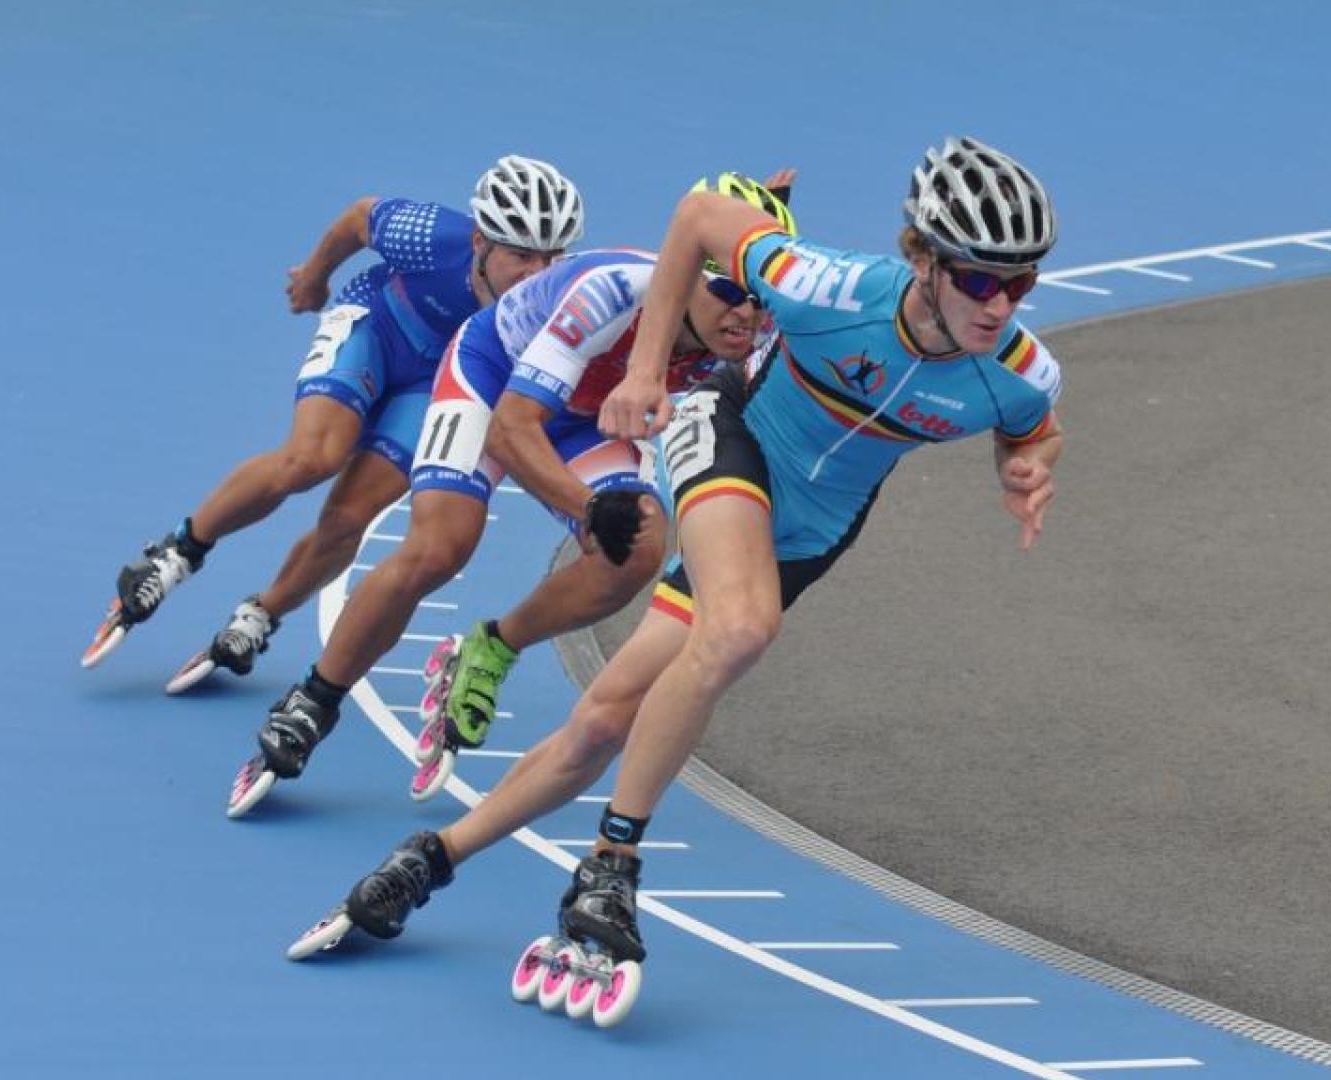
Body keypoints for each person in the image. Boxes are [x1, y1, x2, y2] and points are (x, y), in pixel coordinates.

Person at [295, 138, 1063, 990]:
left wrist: (1024, 469)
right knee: (740, 630)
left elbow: (1032, 431)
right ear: (922, 259)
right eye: (981, 280)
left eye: (1021, 282)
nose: (1001, 304)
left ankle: (425, 861)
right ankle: (611, 866)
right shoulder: (827, 286)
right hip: (729, 439)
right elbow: (697, 218)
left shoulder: (1021, 373)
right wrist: (646, 370)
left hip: (804, 535)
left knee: (605, 717)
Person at [226, 173, 801, 819]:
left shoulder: (760, 332)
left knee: (636, 548)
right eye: (728, 292)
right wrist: (588, 509)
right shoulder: (608, 293)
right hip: (493, 381)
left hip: (585, 417)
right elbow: (510, 429)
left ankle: (492, 646)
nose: (747, 315)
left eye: (760, 298)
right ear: (684, 273)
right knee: (438, 550)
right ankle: (313, 700)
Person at [80, 157, 585, 688]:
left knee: (348, 519)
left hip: (440, 381)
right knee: (310, 459)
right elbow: (358, 219)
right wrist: (314, 276)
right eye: (521, 255)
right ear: (481, 242)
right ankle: (176, 554)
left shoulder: (557, 299)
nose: (537, 273)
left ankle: (260, 616)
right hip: (377, 330)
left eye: (550, 258)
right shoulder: (433, 236)